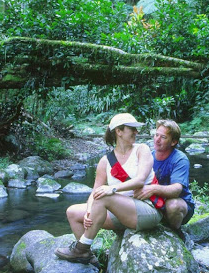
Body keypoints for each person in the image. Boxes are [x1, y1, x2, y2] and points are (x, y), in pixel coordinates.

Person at [55, 113, 162, 264]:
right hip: (119, 214)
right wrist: (89, 211)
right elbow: (95, 191)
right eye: (132, 129)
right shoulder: (105, 161)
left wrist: (112, 189)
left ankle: (81, 248)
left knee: (104, 195)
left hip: (146, 210)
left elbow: (139, 181)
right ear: (119, 131)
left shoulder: (141, 150)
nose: (136, 132)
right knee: (72, 212)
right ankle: (87, 255)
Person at [133, 119, 194, 231]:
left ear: (173, 142)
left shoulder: (180, 159)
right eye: (156, 135)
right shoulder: (148, 156)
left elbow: (176, 190)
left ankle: (175, 233)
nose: (157, 140)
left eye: (163, 137)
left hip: (179, 203)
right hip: (155, 202)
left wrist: (153, 189)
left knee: (173, 205)